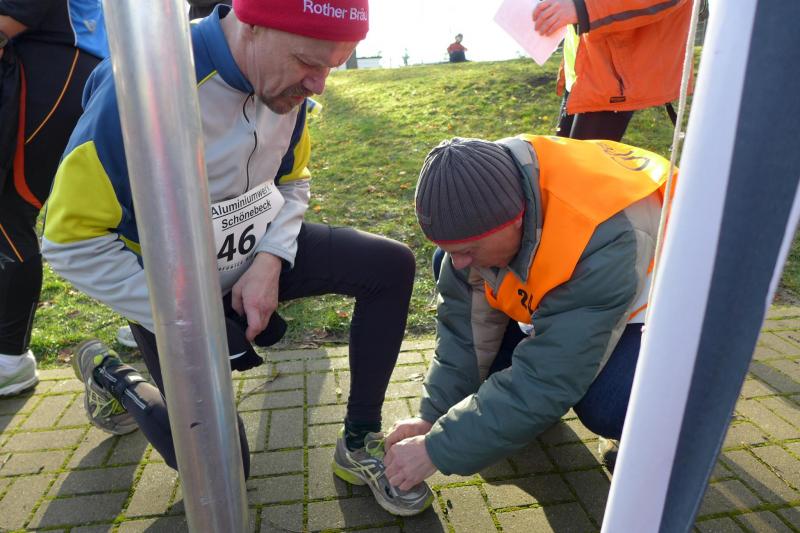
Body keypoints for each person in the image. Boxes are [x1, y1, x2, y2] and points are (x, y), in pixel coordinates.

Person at [42, 0, 432, 517]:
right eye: (308, 62)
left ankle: (359, 439)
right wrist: (191, 319)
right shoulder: (143, 90)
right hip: (171, 292)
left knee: (389, 266)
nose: (319, 86)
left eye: (333, 67)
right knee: (223, 467)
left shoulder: (287, 85)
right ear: (252, 25)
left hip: (254, 254)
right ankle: (114, 378)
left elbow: (292, 180)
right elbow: (69, 242)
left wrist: (270, 260)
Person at [382, 135, 671, 489]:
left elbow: (553, 375)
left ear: (517, 219)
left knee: (608, 404)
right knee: (448, 264)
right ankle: (520, 411)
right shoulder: (489, 183)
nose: (461, 261)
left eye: (469, 249)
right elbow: (463, 333)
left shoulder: (603, 237)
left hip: (657, 306)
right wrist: (433, 416)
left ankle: (656, 432)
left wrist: (437, 449)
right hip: (584, 285)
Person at [0, 0, 108, 396]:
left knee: (10, 209)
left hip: (60, 60)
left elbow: (16, 14)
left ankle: (10, 358)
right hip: (52, 61)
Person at [532, 0, 691, 141]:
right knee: (564, 160)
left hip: (613, 76)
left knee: (583, 164)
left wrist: (583, 7)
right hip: (581, 69)